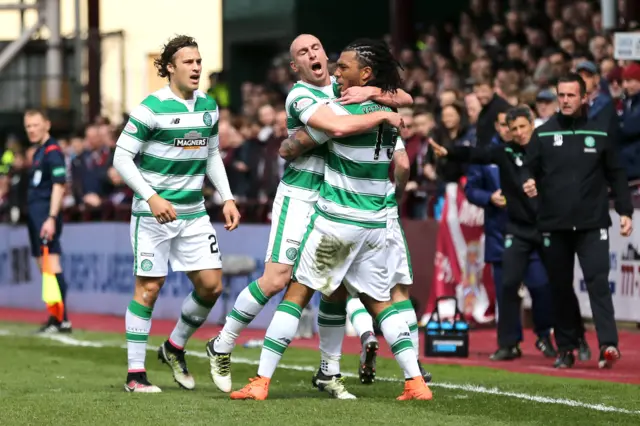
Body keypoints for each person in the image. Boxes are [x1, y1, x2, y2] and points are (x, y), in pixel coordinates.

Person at [206, 34, 413, 398]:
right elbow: (334, 127)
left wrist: (373, 94)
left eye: (316, 48)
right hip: (301, 195)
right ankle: (223, 343)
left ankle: (329, 372)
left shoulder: (341, 84)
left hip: (334, 199)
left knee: (332, 291)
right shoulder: (299, 96)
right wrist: (382, 110)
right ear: (295, 66)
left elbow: (406, 98)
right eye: (302, 52)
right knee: (277, 280)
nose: (312, 54)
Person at [112, 35, 241, 393]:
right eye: (188, 62)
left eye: (199, 61)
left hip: (194, 212)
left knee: (212, 286)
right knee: (149, 288)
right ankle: (135, 375)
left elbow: (212, 154)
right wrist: (151, 197)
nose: (197, 67)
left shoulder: (209, 106)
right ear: (170, 67)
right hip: (153, 215)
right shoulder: (150, 108)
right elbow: (121, 157)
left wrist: (227, 197)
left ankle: (173, 346)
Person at [523, 73, 633, 369]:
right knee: (559, 288)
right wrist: (528, 181)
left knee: (598, 284)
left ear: (584, 97)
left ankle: (608, 345)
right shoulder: (543, 133)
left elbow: (617, 174)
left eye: (571, 95)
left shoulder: (600, 132)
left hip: (592, 224)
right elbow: (526, 167)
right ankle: (567, 348)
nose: (565, 101)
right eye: (561, 95)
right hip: (554, 225)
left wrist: (625, 211)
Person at [429, 106, 557, 360]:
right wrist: (489, 197)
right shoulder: (492, 153)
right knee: (505, 290)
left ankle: (544, 336)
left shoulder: (533, 149)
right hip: (500, 233)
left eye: (517, 126)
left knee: (541, 286)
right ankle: (509, 342)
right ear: (500, 127)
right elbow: (472, 189)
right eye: (504, 125)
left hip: (533, 229)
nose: (509, 130)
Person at [24, 109, 72, 333]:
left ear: (47, 125)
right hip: (35, 216)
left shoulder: (53, 151)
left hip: (45, 215)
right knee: (44, 266)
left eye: (35, 125)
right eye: (28, 126)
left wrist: (51, 218)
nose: (31, 130)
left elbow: (59, 185)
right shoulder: (38, 152)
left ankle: (62, 319)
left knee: (51, 265)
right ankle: (55, 315)